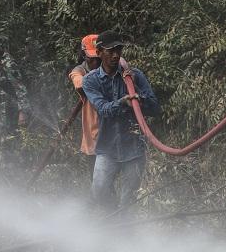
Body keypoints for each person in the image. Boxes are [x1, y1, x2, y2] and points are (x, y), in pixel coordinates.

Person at [82, 30, 160, 211]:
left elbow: (155, 108)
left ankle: (125, 232)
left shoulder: (134, 76)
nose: (116, 55)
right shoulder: (90, 81)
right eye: (110, 51)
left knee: (128, 202)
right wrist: (124, 102)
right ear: (99, 52)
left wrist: (140, 100)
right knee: (99, 192)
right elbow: (103, 109)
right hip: (107, 148)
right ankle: (109, 222)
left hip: (134, 149)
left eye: (119, 50)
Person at [68, 34, 101, 171]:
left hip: (113, 135)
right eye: (91, 58)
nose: (95, 62)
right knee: (97, 180)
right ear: (83, 55)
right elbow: (78, 81)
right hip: (93, 136)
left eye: (98, 58)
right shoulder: (79, 71)